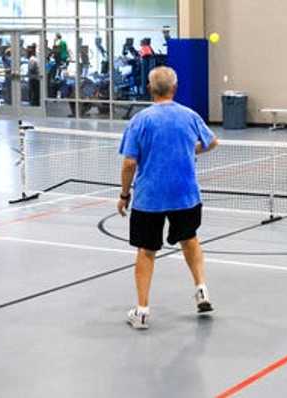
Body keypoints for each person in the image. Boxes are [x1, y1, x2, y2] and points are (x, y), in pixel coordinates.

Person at [117, 66, 218, 330]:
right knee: (190, 239)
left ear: (151, 89)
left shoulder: (140, 120)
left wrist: (124, 194)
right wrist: (190, 149)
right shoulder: (189, 115)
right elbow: (212, 141)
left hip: (150, 197)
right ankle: (202, 290)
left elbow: (129, 163)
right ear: (175, 88)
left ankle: (141, 311)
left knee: (146, 251)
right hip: (185, 194)